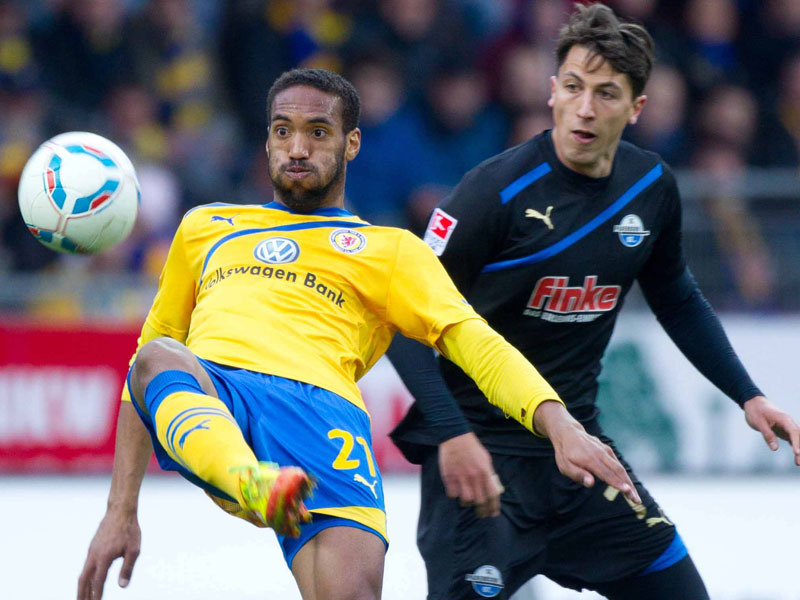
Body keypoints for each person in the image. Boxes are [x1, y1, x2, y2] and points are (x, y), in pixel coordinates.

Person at [76, 68, 640, 600]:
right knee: (155, 355)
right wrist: (119, 512)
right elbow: (140, 382)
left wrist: (560, 423)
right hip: (223, 397)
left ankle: (262, 483)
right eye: (283, 132)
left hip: (326, 423)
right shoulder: (206, 228)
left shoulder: (391, 250)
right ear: (267, 142)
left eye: (318, 132)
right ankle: (249, 479)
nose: (297, 149)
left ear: (351, 144)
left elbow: (477, 342)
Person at [387, 4, 800, 600]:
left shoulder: (651, 187)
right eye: (574, 88)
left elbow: (678, 297)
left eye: (606, 94)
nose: (585, 108)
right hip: (480, 463)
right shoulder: (490, 192)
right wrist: (451, 437)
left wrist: (749, 395)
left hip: (579, 459)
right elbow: (404, 321)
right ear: (552, 91)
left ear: (636, 108)